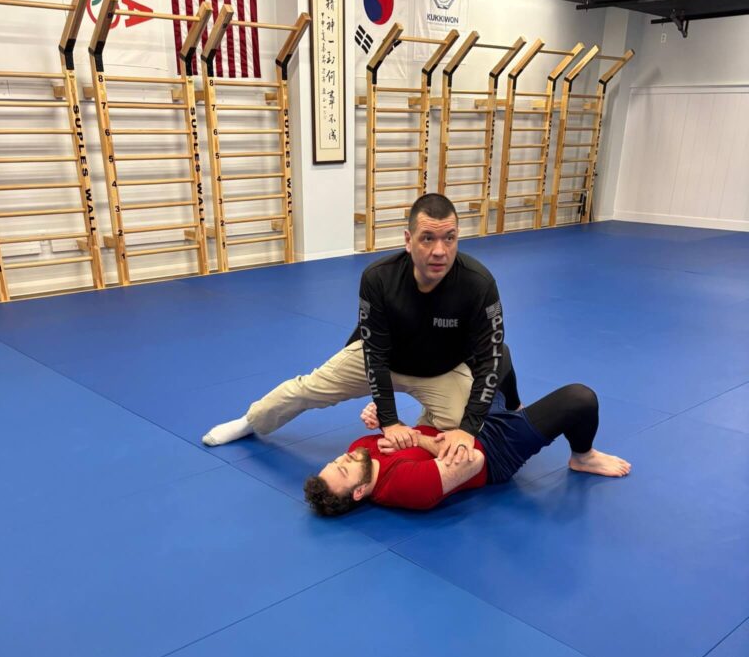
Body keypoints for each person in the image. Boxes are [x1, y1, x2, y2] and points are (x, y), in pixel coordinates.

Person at [203, 193, 514, 463]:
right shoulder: (379, 278)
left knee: (465, 429)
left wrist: (467, 429)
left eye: (450, 237)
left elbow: (490, 358)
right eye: (427, 238)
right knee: (308, 389)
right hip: (383, 361)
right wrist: (389, 421)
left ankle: (420, 434)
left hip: (440, 370)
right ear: (408, 240)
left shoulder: (478, 283)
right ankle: (250, 420)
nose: (440, 251)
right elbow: (375, 354)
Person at [303, 385, 631, 517]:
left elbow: (408, 439)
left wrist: (389, 423)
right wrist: (418, 440)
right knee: (580, 399)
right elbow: (472, 461)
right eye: (343, 469)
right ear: (359, 492)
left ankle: (514, 407)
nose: (344, 457)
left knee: (497, 354)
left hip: (460, 422)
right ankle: (582, 456)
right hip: (494, 449)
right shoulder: (405, 488)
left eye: (335, 460)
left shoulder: (358, 450)